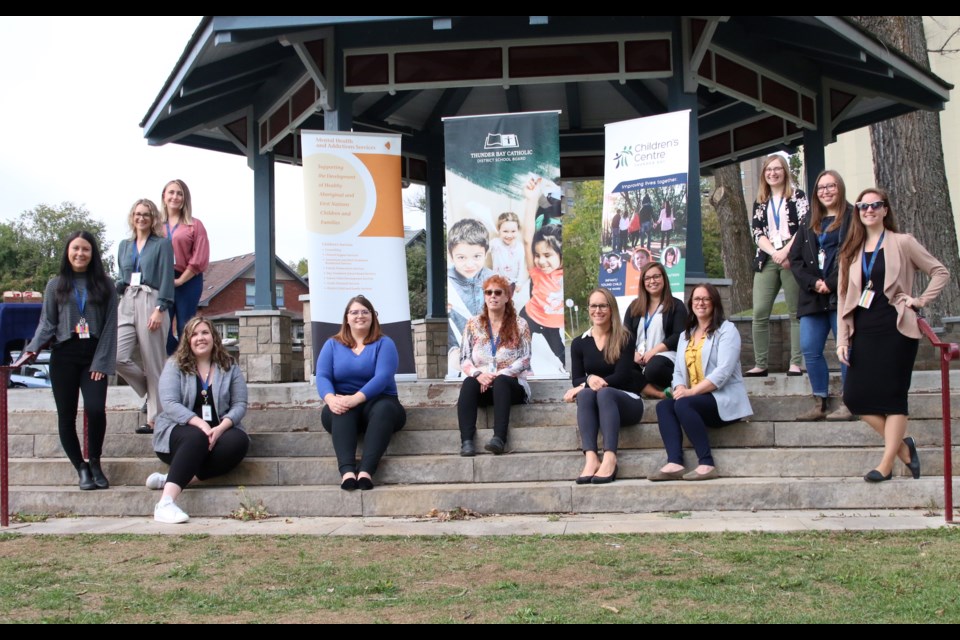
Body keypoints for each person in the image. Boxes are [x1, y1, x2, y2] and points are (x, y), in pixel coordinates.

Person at [837, 188, 949, 483]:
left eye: (875, 205)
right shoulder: (851, 250)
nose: (869, 210)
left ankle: (886, 465)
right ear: (858, 212)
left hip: (897, 329)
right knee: (854, 398)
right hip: (863, 329)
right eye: (863, 206)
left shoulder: (903, 242)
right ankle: (904, 449)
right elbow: (842, 297)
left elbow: (940, 272)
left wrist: (920, 300)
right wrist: (842, 339)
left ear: (885, 210)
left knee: (893, 398)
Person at [23, 231, 118, 490]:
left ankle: (95, 462)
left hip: (93, 356)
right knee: (66, 416)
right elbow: (47, 323)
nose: (80, 253)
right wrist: (29, 351)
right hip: (64, 355)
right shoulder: (55, 285)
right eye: (75, 248)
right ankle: (81, 468)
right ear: (68, 252)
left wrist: (102, 362)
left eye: (85, 249)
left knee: (96, 409)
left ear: (92, 253)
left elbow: (111, 326)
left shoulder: (106, 284)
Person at [147, 317, 250, 523]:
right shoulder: (174, 364)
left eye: (204, 332)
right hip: (179, 431)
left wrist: (221, 428)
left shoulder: (229, 365)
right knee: (196, 437)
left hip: (217, 432)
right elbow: (169, 403)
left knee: (239, 442)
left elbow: (240, 404)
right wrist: (200, 423)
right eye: (194, 334)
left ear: (213, 337)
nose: (200, 338)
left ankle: (173, 478)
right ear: (187, 339)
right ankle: (165, 503)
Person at [649, 283, 752, 481]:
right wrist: (680, 387)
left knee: (684, 403)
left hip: (722, 399)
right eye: (696, 299)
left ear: (714, 303)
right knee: (664, 406)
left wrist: (691, 392)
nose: (701, 303)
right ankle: (675, 462)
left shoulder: (727, 331)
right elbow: (678, 370)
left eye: (706, 299)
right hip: (695, 401)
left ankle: (706, 463)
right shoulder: (685, 335)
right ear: (691, 303)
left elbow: (723, 372)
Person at [316, 295, 407, 490]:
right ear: (346, 318)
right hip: (342, 405)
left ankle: (366, 471)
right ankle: (347, 473)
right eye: (354, 312)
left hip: (381, 403)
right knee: (340, 409)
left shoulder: (385, 343)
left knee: (384, 409)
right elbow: (322, 376)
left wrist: (355, 399)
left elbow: (382, 378)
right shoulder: (332, 344)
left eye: (365, 312)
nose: (360, 316)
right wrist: (331, 399)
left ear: (373, 316)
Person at [789, 170, 853, 421]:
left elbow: (855, 254)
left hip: (841, 294)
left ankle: (849, 402)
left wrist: (831, 282)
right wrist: (814, 283)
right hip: (813, 296)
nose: (826, 192)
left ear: (840, 188)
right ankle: (820, 402)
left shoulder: (852, 217)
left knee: (846, 349)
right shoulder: (808, 220)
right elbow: (795, 259)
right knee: (810, 349)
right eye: (821, 188)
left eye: (831, 186)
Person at [564, 288, 643, 484]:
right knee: (585, 396)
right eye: (593, 306)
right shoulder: (579, 343)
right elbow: (577, 379)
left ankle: (610, 458)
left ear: (611, 308)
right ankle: (591, 458)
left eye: (602, 306)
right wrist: (587, 381)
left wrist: (587, 383)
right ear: (588, 309)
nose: (597, 310)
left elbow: (623, 376)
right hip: (600, 405)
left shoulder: (625, 338)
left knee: (604, 393)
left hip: (628, 402)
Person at [116, 199, 174, 435]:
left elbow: (167, 279)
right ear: (132, 217)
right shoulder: (123, 245)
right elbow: (121, 275)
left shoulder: (162, 244)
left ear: (153, 219)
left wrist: (160, 309)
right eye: (138, 214)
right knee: (116, 356)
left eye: (147, 215)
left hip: (152, 300)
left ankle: (155, 419)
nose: (141, 218)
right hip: (128, 298)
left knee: (154, 362)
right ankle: (153, 392)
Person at [746, 154, 808, 377]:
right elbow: (757, 232)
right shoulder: (761, 200)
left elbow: (804, 226)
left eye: (777, 169)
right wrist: (774, 252)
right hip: (767, 258)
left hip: (792, 257)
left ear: (785, 171)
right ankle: (760, 364)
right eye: (768, 170)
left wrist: (785, 252)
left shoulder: (798, 196)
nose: (773, 173)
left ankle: (796, 363)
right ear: (764, 174)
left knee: (795, 312)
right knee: (760, 312)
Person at [457, 275, 532, 456]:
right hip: (483, 385)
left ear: (507, 297)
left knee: (502, 382)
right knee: (468, 384)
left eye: (498, 292)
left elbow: (525, 358)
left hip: (511, 386)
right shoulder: (473, 324)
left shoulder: (520, 325)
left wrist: (500, 374)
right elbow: (464, 359)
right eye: (488, 292)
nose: (493, 296)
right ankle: (467, 441)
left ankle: (499, 438)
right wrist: (477, 374)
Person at [160, 179, 210, 355]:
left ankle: (189, 369)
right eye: (171, 192)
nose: (175, 197)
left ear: (185, 198)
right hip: (162, 281)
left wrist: (181, 280)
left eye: (180, 193)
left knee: (185, 327)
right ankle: (178, 359)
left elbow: (200, 257)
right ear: (164, 196)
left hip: (188, 279)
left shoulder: (194, 225)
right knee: (161, 329)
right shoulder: (155, 225)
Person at [624, 262, 687, 399]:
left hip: (666, 356)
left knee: (653, 369)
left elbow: (679, 335)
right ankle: (660, 394)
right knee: (622, 367)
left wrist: (654, 351)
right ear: (642, 282)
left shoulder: (676, 305)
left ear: (664, 278)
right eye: (647, 278)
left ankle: (649, 386)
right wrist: (632, 353)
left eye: (656, 276)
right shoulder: (634, 306)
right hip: (639, 357)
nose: (652, 281)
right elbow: (625, 336)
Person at [521, 177, 565, 368]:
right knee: (519, 348)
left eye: (547, 255)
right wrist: (531, 200)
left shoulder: (565, 274)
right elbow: (527, 239)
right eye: (538, 256)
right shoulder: (537, 271)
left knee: (561, 354)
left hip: (553, 324)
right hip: (529, 315)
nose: (541, 261)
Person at [447, 217, 495, 376]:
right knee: (455, 359)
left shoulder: (494, 279)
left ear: (485, 253)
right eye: (461, 257)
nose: (469, 264)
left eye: (476, 256)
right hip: (456, 345)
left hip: (489, 345)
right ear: (451, 255)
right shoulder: (445, 283)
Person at [489, 211, 525, 290]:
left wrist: (519, 282)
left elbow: (521, 266)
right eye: (505, 231)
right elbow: (483, 249)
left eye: (513, 231)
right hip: (497, 281)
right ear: (499, 230)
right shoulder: (495, 243)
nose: (509, 235)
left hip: (512, 282)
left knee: (508, 299)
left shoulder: (519, 247)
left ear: (518, 230)